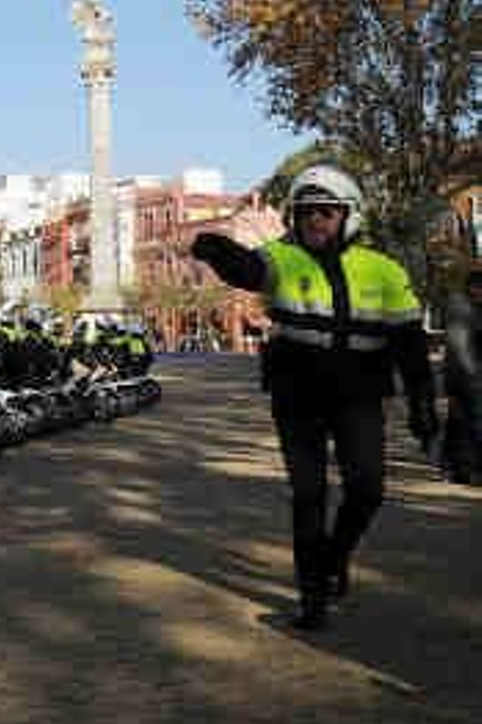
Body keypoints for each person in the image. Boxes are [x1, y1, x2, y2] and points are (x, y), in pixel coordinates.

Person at [192, 163, 436, 630]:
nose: (316, 222)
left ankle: (335, 556)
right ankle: (311, 598)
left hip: (359, 397)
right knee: (308, 495)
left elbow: (409, 343)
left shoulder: (383, 270)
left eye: (326, 212)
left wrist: (422, 403)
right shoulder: (282, 259)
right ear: (294, 219)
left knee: (368, 489)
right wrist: (219, 251)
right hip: (297, 396)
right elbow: (249, 269)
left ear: (349, 216)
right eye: (306, 214)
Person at [440, 266, 482, 483]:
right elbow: (459, 346)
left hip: (465, 375)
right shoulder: (461, 307)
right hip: (464, 375)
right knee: (470, 421)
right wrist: (472, 376)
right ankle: (466, 469)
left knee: (459, 421)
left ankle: (453, 466)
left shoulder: (471, 307)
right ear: (472, 287)